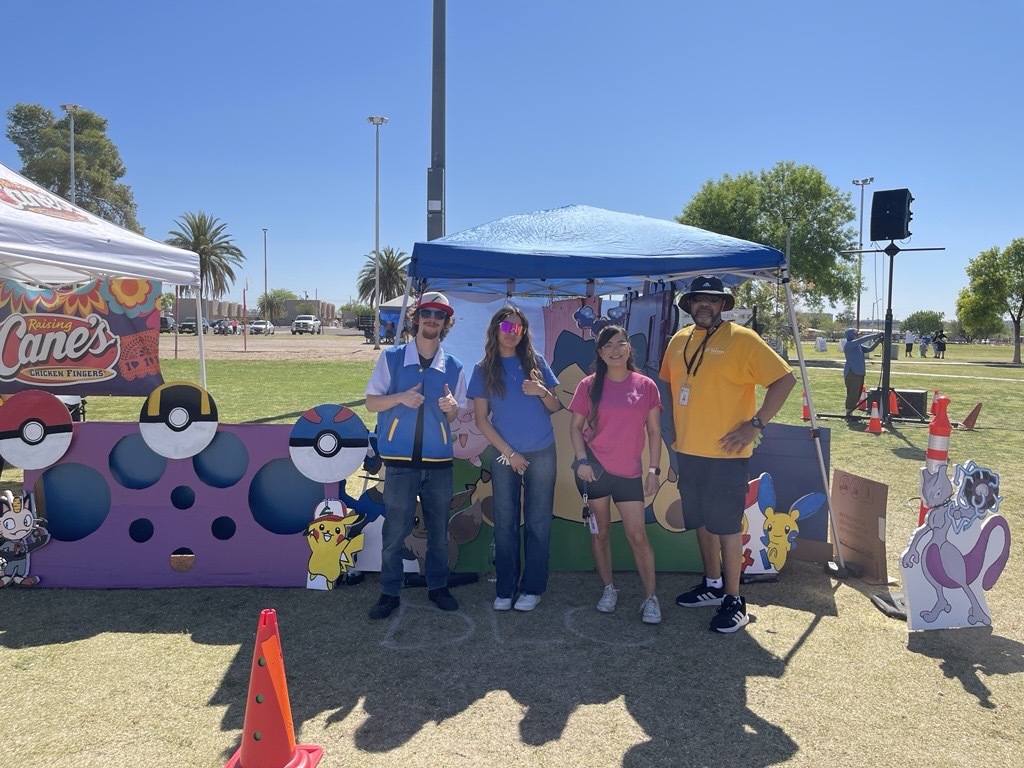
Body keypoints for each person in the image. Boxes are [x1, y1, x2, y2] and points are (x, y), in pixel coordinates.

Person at [660, 276, 795, 634]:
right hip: (687, 451)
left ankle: (735, 600)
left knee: (727, 526)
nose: (705, 305)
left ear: (723, 305)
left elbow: (784, 380)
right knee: (701, 522)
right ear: (688, 305)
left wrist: (755, 424)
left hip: (726, 454)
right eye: (698, 300)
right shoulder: (678, 341)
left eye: (712, 300)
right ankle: (712, 584)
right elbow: (672, 386)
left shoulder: (743, 339)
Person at [364, 291, 468, 619]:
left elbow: (454, 416)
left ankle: (437, 586)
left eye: (439, 315)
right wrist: (399, 398)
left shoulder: (453, 366)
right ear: (416, 317)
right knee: (395, 530)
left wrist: (452, 410)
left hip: (439, 464)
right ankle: (389, 591)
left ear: (446, 323)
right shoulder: (392, 358)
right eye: (427, 313)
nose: (432, 320)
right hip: (399, 464)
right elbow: (371, 402)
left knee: (439, 530)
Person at [569, 325, 664, 624]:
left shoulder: (646, 385)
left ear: (628, 348)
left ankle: (651, 598)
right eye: (607, 346)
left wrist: (653, 471)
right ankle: (608, 589)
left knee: (637, 535)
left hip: (630, 473)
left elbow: (654, 431)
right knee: (601, 533)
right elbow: (574, 427)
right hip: (594, 471)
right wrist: (582, 460)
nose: (614, 350)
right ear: (599, 353)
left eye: (620, 343)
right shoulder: (587, 385)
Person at [469, 306, 561, 612]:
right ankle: (506, 588)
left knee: (538, 523)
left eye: (518, 328)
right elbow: (482, 421)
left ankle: (532, 588)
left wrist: (541, 390)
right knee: (505, 522)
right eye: (507, 326)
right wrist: (511, 454)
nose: (513, 332)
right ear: (496, 329)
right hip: (505, 455)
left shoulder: (536, 363)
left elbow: (555, 406)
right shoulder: (483, 370)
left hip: (543, 450)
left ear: (524, 332)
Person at [843, 328, 883, 419]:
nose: (858, 335)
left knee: (858, 392)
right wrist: (875, 335)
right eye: (856, 334)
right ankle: (848, 411)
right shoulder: (849, 344)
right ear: (851, 335)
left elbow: (869, 349)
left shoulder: (858, 346)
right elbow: (862, 340)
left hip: (859, 372)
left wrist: (878, 341)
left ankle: (851, 410)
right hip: (852, 372)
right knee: (852, 393)